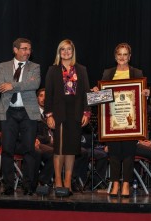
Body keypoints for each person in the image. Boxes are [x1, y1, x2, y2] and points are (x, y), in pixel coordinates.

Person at [92, 43, 148, 198]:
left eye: (125, 54)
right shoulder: (108, 73)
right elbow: (103, 95)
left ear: (129, 56)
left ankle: (126, 184)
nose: (122, 57)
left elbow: (140, 96)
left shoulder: (137, 72)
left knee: (129, 153)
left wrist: (145, 93)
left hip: (130, 120)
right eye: (119, 54)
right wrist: (97, 91)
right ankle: (115, 182)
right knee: (115, 153)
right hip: (113, 120)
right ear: (115, 56)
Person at [44, 39, 91, 195]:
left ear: (73, 51)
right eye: (62, 49)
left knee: (71, 149)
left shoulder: (81, 69)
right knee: (60, 148)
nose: (66, 52)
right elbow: (48, 95)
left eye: (69, 49)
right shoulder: (52, 70)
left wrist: (86, 112)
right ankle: (58, 181)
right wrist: (49, 115)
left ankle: (68, 182)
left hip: (76, 113)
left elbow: (86, 93)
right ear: (59, 52)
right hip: (58, 114)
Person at [0, 38, 41, 195]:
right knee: (7, 150)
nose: (27, 52)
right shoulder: (4, 66)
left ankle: (28, 186)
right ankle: (8, 186)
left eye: (29, 49)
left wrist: (12, 85)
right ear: (15, 50)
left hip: (28, 113)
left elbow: (34, 85)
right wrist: (21, 85)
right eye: (24, 49)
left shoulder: (35, 67)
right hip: (8, 112)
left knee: (29, 150)